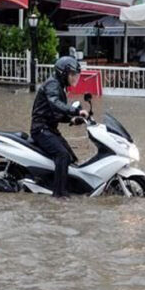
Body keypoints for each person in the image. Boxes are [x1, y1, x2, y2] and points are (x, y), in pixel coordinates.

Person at [30, 57, 89, 200]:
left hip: (50, 129)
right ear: (63, 73)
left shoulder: (60, 86)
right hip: (41, 130)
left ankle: (62, 185)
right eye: (73, 74)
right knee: (62, 155)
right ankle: (59, 195)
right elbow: (55, 103)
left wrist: (72, 120)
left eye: (76, 75)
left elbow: (55, 113)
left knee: (70, 157)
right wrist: (74, 111)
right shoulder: (52, 84)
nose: (75, 78)